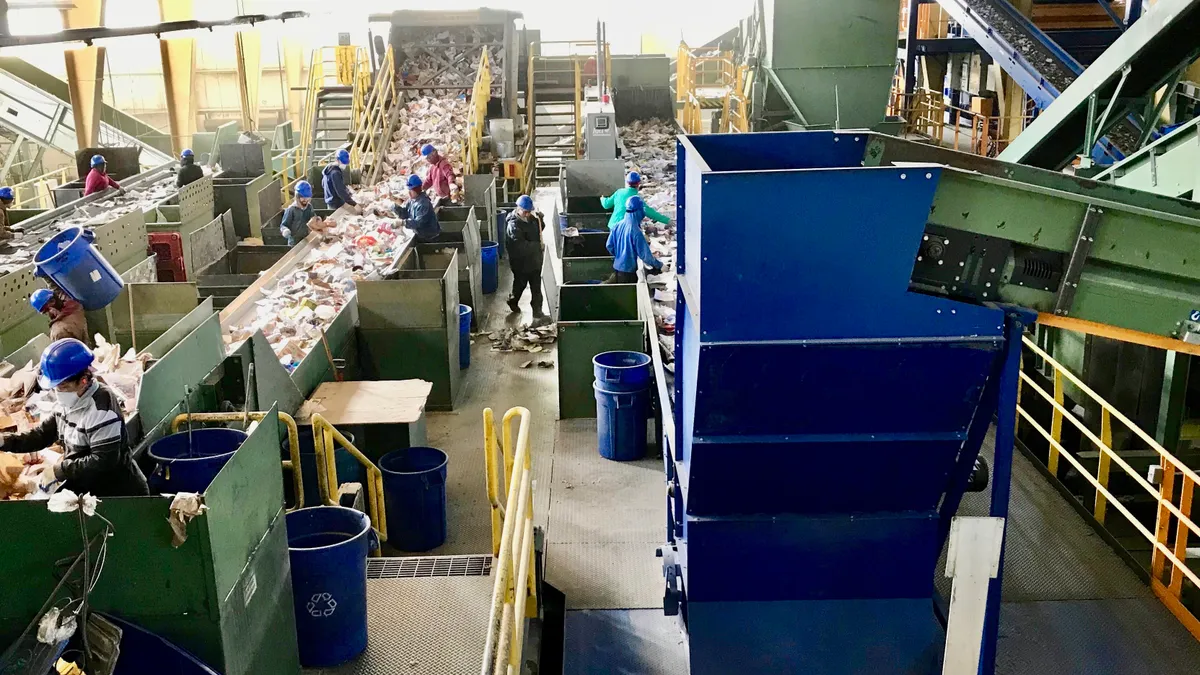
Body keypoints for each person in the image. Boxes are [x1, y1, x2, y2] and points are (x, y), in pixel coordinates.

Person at [6, 339, 148, 498]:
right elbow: (42, 435)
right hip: (90, 491)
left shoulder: (101, 407)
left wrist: (59, 470)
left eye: (63, 387)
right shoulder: (68, 402)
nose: (58, 392)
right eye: (56, 387)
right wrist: (5, 441)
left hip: (119, 496)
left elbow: (103, 460)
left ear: (84, 381)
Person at [605, 195, 663, 284]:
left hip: (617, 267)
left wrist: (619, 256)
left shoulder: (617, 225)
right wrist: (660, 265)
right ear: (638, 211)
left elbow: (609, 245)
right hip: (628, 272)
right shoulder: (636, 231)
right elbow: (645, 256)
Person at [506, 194, 546, 319]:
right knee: (520, 285)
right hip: (521, 263)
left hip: (534, 261)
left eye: (529, 212)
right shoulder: (513, 225)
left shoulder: (531, 219)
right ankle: (513, 300)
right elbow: (520, 246)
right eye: (525, 212)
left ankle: (537, 312)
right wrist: (537, 246)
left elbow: (538, 230)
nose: (527, 214)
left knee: (536, 288)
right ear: (518, 209)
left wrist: (541, 220)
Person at [600, 171, 671, 229]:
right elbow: (651, 213)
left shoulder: (619, 192)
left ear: (627, 182)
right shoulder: (637, 199)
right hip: (626, 228)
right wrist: (667, 221)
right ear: (638, 184)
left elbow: (606, 205)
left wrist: (602, 198)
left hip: (613, 226)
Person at [393, 174, 441, 243]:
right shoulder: (412, 200)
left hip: (430, 237)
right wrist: (395, 207)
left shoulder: (424, 204)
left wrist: (403, 222)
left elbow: (418, 223)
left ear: (417, 190)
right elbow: (405, 213)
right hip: (421, 235)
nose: (409, 193)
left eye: (411, 190)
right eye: (408, 190)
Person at [279, 180, 328, 246]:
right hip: (294, 242)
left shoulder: (309, 207)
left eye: (307, 198)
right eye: (302, 198)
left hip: (307, 238)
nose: (305, 200)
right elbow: (283, 225)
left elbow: (313, 217)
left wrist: (317, 220)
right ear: (297, 197)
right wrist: (285, 230)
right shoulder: (291, 209)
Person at [321, 148, 358, 217]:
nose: (344, 165)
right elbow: (340, 191)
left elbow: (323, 184)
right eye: (343, 163)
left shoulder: (329, 168)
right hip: (336, 203)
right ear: (337, 160)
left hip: (329, 201)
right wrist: (354, 204)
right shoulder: (335, 173)